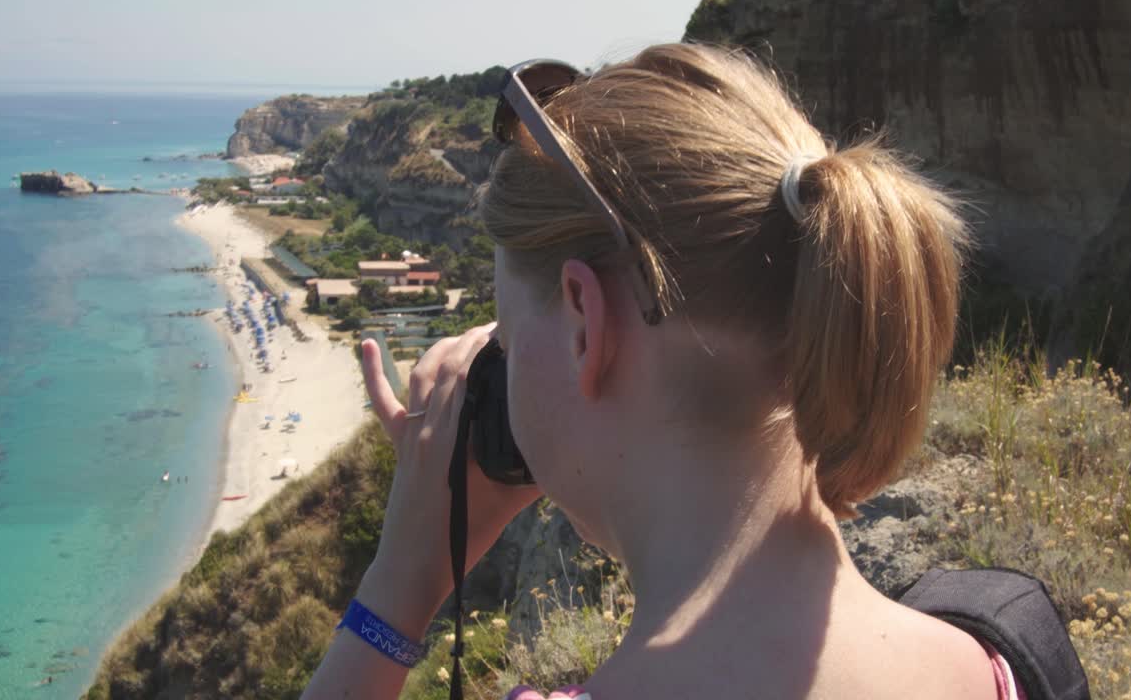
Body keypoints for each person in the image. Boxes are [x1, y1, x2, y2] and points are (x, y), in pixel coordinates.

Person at [302, 43, 1012, 699]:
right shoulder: (993, 661)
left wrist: (399, 585)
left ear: (585, 321)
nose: (504, 365)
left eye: (512, 341)